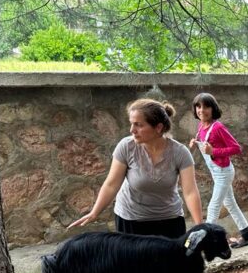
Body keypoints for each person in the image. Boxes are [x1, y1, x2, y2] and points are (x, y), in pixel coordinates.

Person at [70, 98, 203, 237]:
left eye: (138, 125)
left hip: (169, 221)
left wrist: (200, 226)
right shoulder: (126, 146)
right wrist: (94, 213)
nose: (132, 130)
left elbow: (190, 192)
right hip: (131, 220)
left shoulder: (180, 152)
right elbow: (111, 184)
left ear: (158, 127)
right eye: (131, 124)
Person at [188, 92, 248, 248]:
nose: (201, 110)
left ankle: (206, 244)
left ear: (213, 109)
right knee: (231, 204)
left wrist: (214, 152)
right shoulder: (201, 127)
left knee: (213, 207)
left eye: (206, 106)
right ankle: (247, 235)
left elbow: (236, 148)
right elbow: (205, 145)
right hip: (216, 172)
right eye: (198, 106)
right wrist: (194, 144)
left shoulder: (218, 127)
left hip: (223, 172)